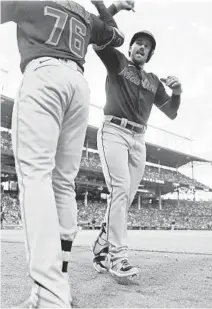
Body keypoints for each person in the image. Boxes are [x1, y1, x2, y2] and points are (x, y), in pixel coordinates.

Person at [1, 1, 125, 307]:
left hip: (44, 76)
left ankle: (50, 296)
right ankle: (58, 286)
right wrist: (108, 5)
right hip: (78, 87)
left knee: (36, 176)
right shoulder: (83, 14)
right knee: (62, 184)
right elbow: (117, 36)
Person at [91, 2, 183, 279]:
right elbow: (99, 33)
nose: (141, 47)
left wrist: (177, 92)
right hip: (114, 132)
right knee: (119, 190)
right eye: (137, 43)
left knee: (124, 199)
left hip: (138, 140)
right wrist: (113, 7)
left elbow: (172, 113)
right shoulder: (116, 61)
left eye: (146, 46)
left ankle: (101, 246)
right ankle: (118, 258)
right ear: (130, 48)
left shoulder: (154, 80)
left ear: (150, 53)